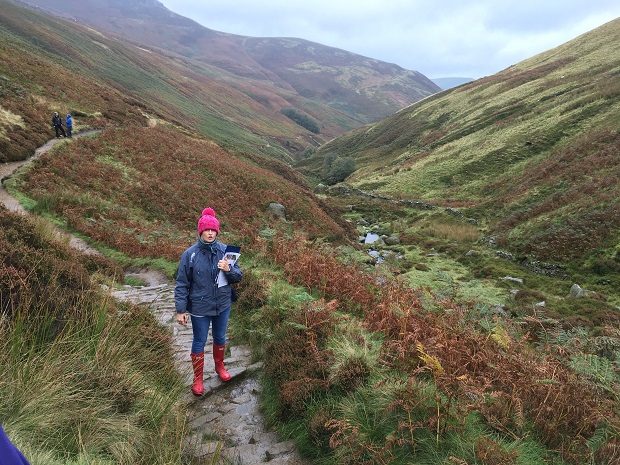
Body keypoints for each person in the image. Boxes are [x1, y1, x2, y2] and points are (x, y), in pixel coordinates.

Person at [174, 207, 243, 396]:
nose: (210, 233)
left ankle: (220, 367)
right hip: (199, 306)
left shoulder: (226, 252)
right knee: (199, 341)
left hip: (222, 304)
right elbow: (182, 283)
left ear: (217, 231)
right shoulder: (190, 254)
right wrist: (181, 309)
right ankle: (198, 379)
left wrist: (229, 269)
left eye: (213, 230)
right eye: (207, 230)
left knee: (220, 338)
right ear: (201, 231)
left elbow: (238, 276)